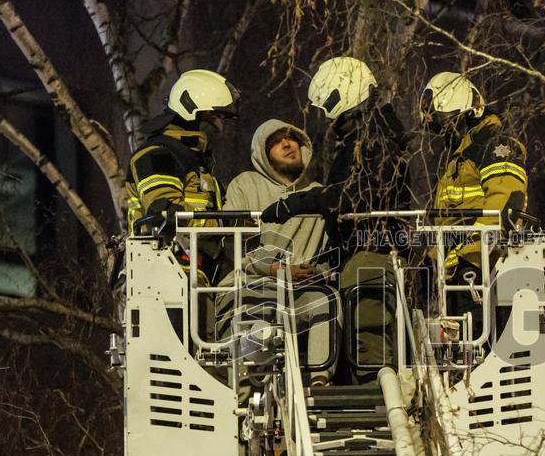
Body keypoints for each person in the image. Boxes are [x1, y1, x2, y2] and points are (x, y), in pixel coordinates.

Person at [259, 57, 410, 383]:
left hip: (371, 252)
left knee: (369, 347)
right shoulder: (371, 136)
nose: (327, 117)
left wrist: (296, 203)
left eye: (327, 104)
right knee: (358, 342)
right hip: (361, 253)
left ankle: (379, 407)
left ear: (342, 96)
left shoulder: (373, 141)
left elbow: (353, 195)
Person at [219, 119, 339, 386]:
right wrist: (272, 268)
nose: (287, 144)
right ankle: (250, 383)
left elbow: (332, 250)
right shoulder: (245, 185)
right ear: (262, 153)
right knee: (253, 330)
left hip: (302, 289)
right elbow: (232, 240)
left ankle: (319, 382)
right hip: (254, 285)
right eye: (275, 142)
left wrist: (317, 273)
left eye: (291, 139)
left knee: (326, 300)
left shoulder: (318, 194)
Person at [418, 71, 528, 337]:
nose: (445, 133)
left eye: (447, 124)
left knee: (476, 347)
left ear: (463, 112)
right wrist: (433, 261)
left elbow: (504, 207)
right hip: (457, 273)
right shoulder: (460, 155)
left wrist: (467, 259)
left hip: (480, 273)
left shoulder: (494, 145)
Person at [127, 69, 239, 242]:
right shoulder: (159, 154)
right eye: (215, 116)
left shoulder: (194, 159)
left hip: (195, 265)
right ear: (191, 110)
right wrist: (222, 224)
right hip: (167, 265)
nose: (220, 126)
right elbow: (164, 216)